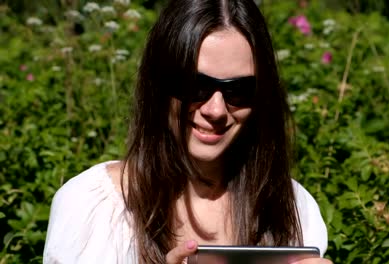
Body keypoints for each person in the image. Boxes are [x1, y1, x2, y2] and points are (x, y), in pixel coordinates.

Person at [43, 0, 331, 263]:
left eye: (239, 90)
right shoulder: (96, 208)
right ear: (159, 84)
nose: (216, 110)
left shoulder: (291, 205)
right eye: (196, 86)